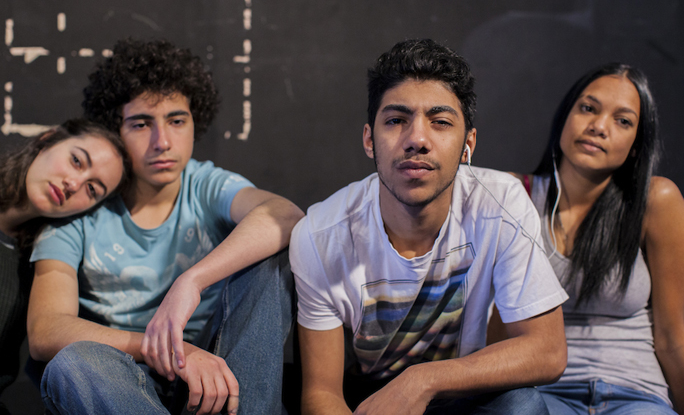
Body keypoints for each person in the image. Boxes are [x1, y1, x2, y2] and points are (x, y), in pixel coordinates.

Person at [289, 38, 569, 415]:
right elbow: (321, 394)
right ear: (369, 140)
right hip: (368, 402)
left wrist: (422, 381)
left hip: (458, 393)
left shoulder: (501, 202)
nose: (417, 140)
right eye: (396, 121)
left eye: (440, 123)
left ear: (468, 144)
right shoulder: (320, 235)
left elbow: (547, 351)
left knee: (523, 405)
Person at [27, 39, 304, 415]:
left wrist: (191, 281)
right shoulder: (83, 202)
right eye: (141, 124)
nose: (162, 142)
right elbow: (44, 330)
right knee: (72, 364)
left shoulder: (205, 185)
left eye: (176, 121)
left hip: (220, 374)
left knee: (273, 255)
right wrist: (167, 348)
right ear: (115, 130)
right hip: (125, 380)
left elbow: (285, 214)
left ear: (194, 122)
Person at [499, 63, 684, 414]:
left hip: (637, 394)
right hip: (543, 394)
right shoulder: (512, 195)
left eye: (623, 121)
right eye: (588, 108)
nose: (599, 126)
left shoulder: (655, 201)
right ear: (565, 117)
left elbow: (673, 338)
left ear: (636, 145)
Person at [0, 118, 129, 415]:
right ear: (47, 140)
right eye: (76, 161)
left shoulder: (43, 270)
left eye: (92, 189)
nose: (73, 185)